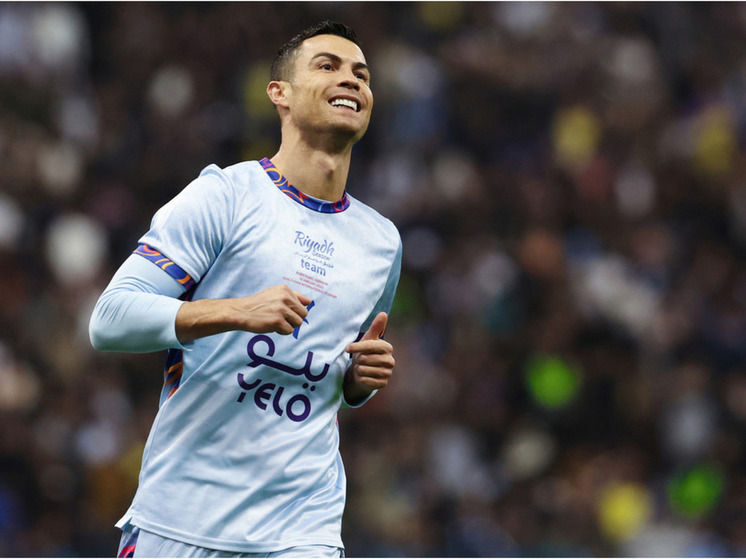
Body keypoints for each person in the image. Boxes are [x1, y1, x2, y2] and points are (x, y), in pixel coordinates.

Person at [89, 20, 402, 558]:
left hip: (302, 528)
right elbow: (110, 320)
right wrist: (235, 311)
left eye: (362, 74)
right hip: (183, 517)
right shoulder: (225, 196)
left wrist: (358, 382)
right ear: (279, 93)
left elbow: (333, 371)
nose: (351, 80)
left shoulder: (382, 242)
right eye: (327, 66)